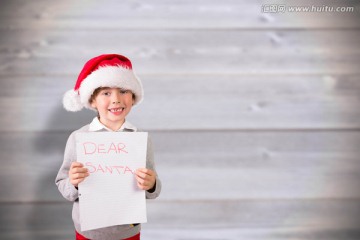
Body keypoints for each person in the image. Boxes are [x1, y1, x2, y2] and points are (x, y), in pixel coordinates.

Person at [55, 54, 161, 240]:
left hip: (128, 231)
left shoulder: (141, 139)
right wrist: (73, 182)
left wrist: (151, 184)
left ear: (133, 97)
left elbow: (153, 190)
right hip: (88, 232)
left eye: (123, 91)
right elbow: (64, 185)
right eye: (106, 93)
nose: (116, 99)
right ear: (93, 100)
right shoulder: (78, 138)